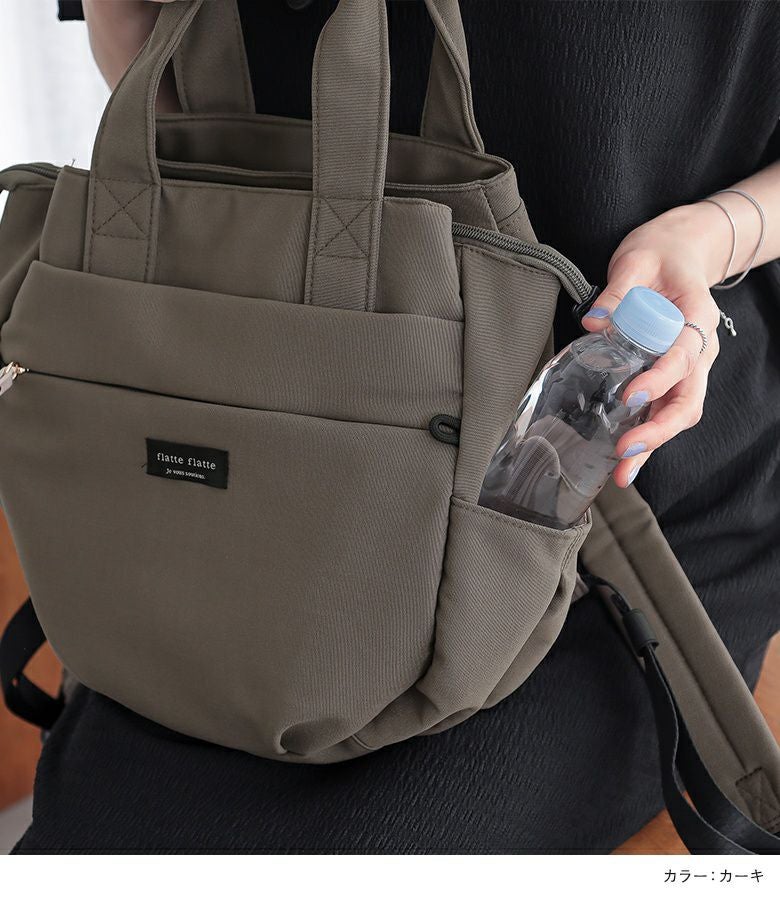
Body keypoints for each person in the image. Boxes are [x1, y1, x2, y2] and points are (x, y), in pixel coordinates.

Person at [15, 0, 780, 852]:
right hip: (220, 502)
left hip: (603, 492)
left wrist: (712, 237)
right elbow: (134, 23)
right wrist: (229, 223)